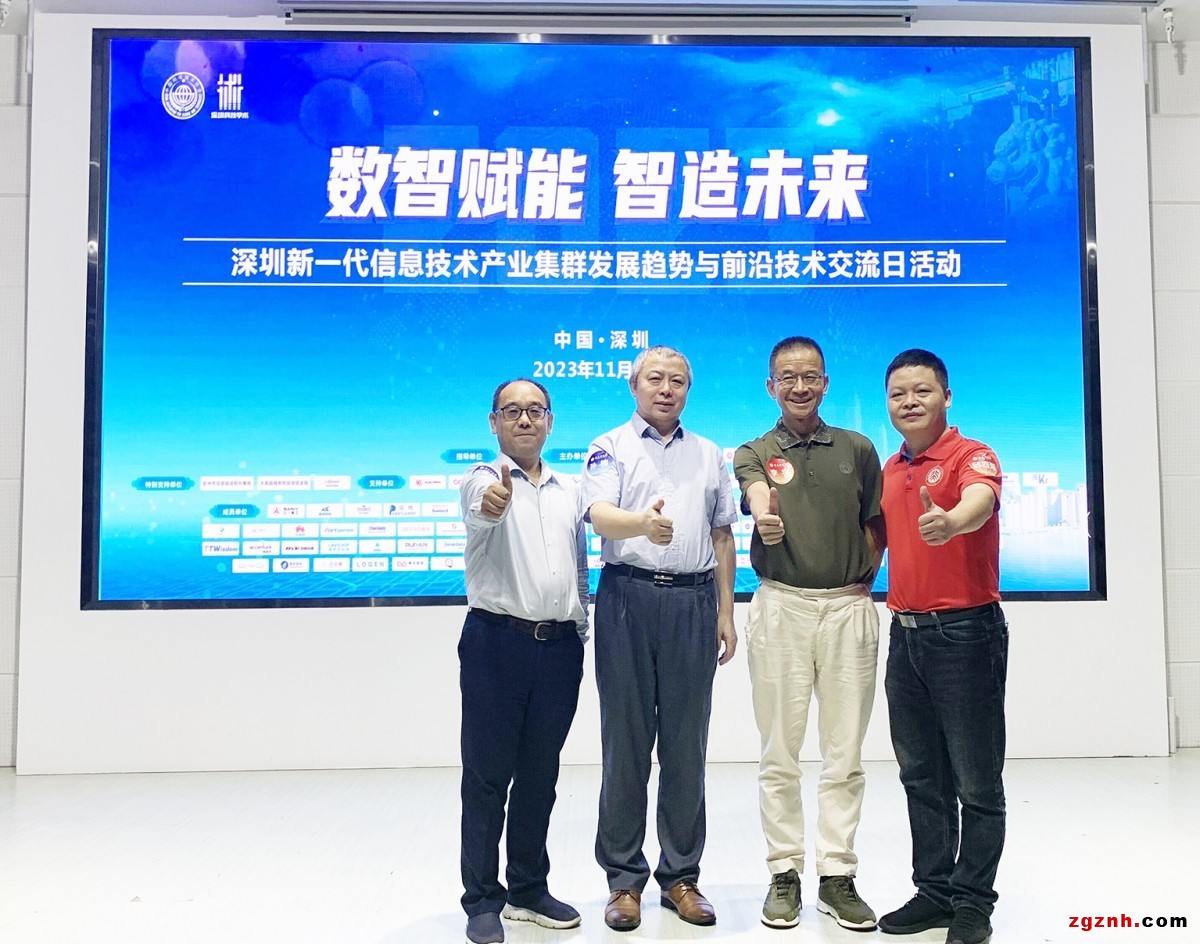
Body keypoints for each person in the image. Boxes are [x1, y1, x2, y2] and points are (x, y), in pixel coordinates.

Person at [580, 345, 738, 932]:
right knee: (624, 743)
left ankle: (681, 877)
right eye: (655, 378)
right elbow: (599, 515)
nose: (666, 389)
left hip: (695, 602)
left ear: (688, 390)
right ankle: (623, 881)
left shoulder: (710, 454)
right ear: (633, 385)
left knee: (686, 745)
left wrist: (726, 611)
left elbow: (723, 534)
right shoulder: (609, 446)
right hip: (628, 596)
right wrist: (642, 524)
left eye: (677, 381)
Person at [733, 336, 885, 932]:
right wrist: (764, 515)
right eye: (788, 377)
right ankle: (784, 872)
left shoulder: (858, 448)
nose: (800, 386)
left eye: (810, 376)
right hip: (782, 606)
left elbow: (875, 523)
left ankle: (838, 874)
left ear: (825, 383)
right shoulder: (754, 451)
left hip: (849, 609)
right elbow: (756, 491)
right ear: (771, 386)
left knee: (845, 753)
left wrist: (859, 576)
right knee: (780, 752)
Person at [876, 349, 1007, 944]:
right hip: (905, 638)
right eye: (898, 393)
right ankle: (934, 893)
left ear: (946, 397)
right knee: (920, 774)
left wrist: (953, 521)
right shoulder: (890, 469)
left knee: (975, 780)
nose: (910, 402)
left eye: (922, 391)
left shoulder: (971, 455)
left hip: (965, 634)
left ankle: (973, 903)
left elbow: (978, 501)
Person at [457, 378, 590, 944]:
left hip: (559, 649)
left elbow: (579, 562)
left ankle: (528, 890)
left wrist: (581, 626)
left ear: (551, 421)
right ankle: (482, 900)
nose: (525, 420)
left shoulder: (570, 489)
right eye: (512, 411)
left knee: (541, 775)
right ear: (494, 423)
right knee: (487, 778)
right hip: (496, 643)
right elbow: (481, 507)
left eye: (536, 410)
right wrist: (493, 503)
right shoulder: (482, 478)